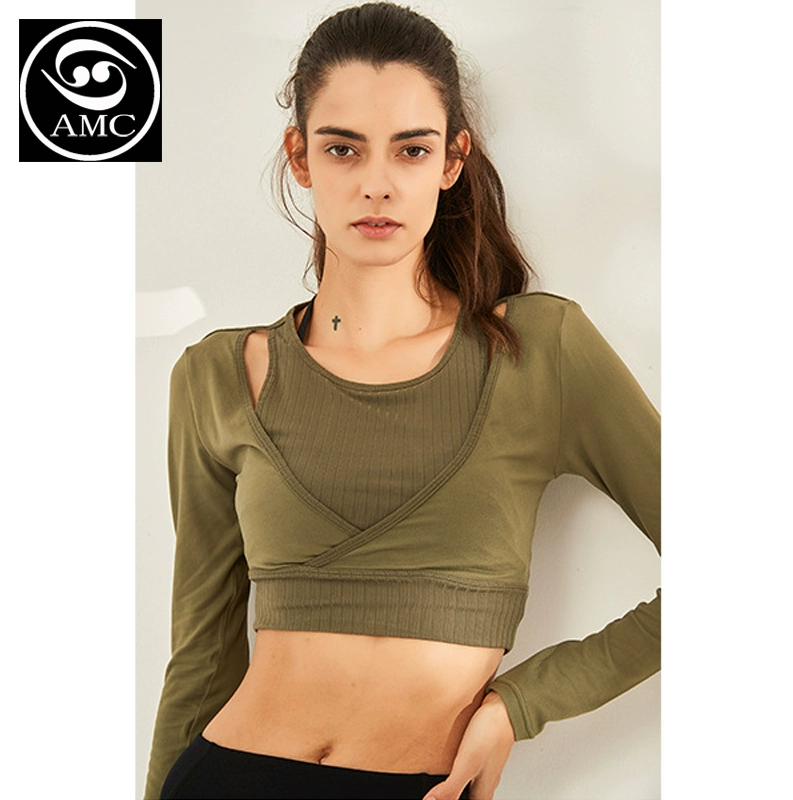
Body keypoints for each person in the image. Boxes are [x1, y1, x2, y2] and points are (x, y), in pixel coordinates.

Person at [144, 2, 660, 798]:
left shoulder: (539, 352)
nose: (376, 184)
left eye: (411, 149)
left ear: (452, 161)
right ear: (300, 157)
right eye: (343, 148)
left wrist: (522, 704)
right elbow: (201, 656)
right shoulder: (218, 374)